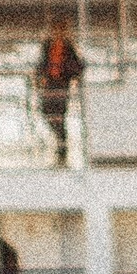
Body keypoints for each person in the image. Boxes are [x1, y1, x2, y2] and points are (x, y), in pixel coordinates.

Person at [36, 9, 84, 164]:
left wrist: (73, 77)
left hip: (62, 82)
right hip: (49, 82)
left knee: (60, 112)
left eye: (60, 29)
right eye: (55, 29)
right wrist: (39, 76)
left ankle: (62, 143)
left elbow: (78, 65)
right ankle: (59, 137)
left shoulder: (69, 47)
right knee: (46, 110)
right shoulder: (47, 45)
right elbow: (41, 62)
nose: (57, 32)